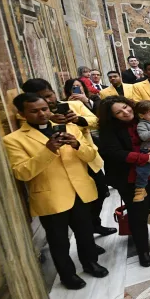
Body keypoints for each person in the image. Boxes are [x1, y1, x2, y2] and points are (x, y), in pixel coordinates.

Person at [5, 93, 108, 290]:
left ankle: (91, 263)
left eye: (44, 109)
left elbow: (91, 154)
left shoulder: (69, 128)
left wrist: (77, 145)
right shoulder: (14, 140)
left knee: (85, 233)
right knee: (59, 241)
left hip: (80, 191)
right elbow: (22, 172)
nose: (42, 114)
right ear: (22, 113)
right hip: (50, 196)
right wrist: (48, 150)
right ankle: (67, 275)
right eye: (34, 111)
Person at [22, 78, 114, 238]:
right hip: (60, 169)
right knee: (80, 205)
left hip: (87, 158)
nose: (47, 100)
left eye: (49, 95)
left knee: (100, 193)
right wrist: (48, 119)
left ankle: (95, 224)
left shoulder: (73, 105)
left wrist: (77, 119)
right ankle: (88, 234)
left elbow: (96, 121)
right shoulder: (30, 116)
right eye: (40, 97)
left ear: (53, 91)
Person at [98, 96, 150, 267]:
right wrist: (147, 157)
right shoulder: (109, 130)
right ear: (112, 116)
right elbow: (115, 153)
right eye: (119, 112)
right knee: (137, 215)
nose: (126, 112)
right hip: (130, 178)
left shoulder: (145, 118)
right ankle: (143, 250)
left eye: (126, 107)